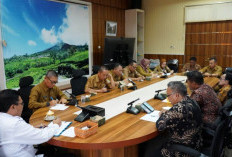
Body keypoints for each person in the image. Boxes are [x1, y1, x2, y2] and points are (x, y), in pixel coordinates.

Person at [0, 89, 61, 157]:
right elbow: (42, 137)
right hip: (26, 153)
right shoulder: (14, 124)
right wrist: (56, 124)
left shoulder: (3, 118)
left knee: (50, 149)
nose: (23, 106)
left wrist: (31, 128)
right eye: (22, 103)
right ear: (13, 107)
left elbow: (14, 133)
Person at [155, 81, 202, 157]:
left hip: (182, 150)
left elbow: (160, 126)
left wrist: (162, 114)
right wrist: (169, 112)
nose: (168, 99)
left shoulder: (178, 108)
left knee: (151, 149)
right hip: (195, 143)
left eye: (168, 95)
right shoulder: (191, 100)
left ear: (176, 95)